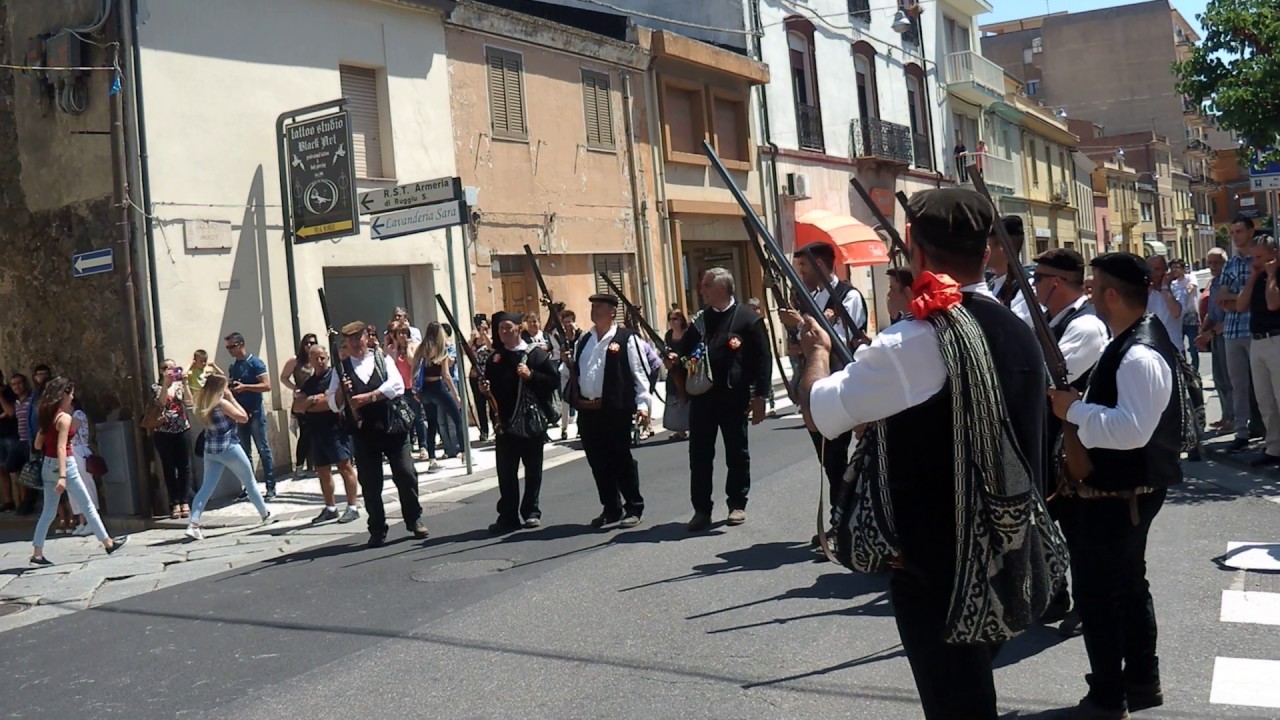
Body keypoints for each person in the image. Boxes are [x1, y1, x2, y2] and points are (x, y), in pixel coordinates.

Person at [801, 188, 1055, 720]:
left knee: (956, 703)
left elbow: (821, 412)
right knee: (969, 692)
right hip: (1010, 550)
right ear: (986, 251)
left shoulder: (913, 341)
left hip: (940, 567)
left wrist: (817, 354)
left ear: (914, 247)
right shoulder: (1017, 329)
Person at [1048, 252, 1183, 719]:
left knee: (1100, 594)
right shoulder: (1128, 341)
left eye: (1093, 288)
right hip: (1126, 491)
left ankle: (1109, 696)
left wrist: (1073, 410)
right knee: (1125, 586)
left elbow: (1130, 431)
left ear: (1111, 294)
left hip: (1122, 493)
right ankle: (1141, 681)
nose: (1088, 296)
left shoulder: (1138, 353)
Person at [1030, 248, 1110, 636]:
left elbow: (1047, 380)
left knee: (1079, 530)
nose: (1034, 285)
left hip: (1073, 443)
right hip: (1050, 438)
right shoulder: (1052, 319)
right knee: (1048, 520)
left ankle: (1088, 603)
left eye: (1038, 279)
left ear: (1056, 283)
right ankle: (1055, 593)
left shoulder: (1086, 325)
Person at [668, 267, 772, 531]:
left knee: (737, 453)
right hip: (703, 399)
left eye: (706, 285)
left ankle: (737, 504)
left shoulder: (748, 319)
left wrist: (760, 396)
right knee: (699, 456)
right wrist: (676, 361)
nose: (700, 290)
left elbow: (763, 359)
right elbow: (686, 355)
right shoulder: (700, 322)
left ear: (721, 289)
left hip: (734, 398)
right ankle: (701, 510)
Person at [325, 321, 428, 548]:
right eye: (350, 340)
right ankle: (377, 528)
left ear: (366, 338)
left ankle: (414, 519)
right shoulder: (340, 370)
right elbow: (333, 403)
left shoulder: (383, 360)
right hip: (363, 432)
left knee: (406, 473)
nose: (355, 343)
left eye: (358, 338)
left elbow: (397, 386)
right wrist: (342, 391)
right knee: (370, 483)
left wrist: (370, 397)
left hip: (392, 427)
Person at [569, 294, 650, 529]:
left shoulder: (626, 338)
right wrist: (567, 364)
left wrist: (643, 404)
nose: (594, 310)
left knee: (620, 458)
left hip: (615, 409)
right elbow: (577, 373)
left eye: (600, 307)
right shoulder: (584, 339)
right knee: (598, 461)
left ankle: (633, 506)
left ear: (612, 311)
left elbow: (639, 373)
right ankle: (611, 508)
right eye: (593, 307)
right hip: (588, 410)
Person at [29, 377, 127, 564]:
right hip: (66, 465)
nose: (73, 397)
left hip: (47, 465)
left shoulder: (47, 416)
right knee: (87, 504)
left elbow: (38, 444)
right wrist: (62, 476)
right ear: (64, 395)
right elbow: (61, 447)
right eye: (71, 393)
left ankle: (37, 553)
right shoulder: (64, 418)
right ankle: (108, 543)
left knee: (48, 512)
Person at [481, 312, 559, 533]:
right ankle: (508, 515)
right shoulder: (495, 359)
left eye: (508, 327)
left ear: (519, 328)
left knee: (533, 470)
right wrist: (484, 391)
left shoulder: (536, 355)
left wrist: (531, 376)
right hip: (505, 425)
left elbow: (553, 381)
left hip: (531, 423)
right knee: (506, 473)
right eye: (500, 328)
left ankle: (531, 511)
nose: (504, 332)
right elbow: (491, 392)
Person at [184, 373, 277, 541]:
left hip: (210, 450)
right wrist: (232, 398)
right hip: (229, 447)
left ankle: (193, 524)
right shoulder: (222, 403)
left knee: (206, 488)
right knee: (249, 481)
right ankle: (265, 514)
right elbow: (243, 418)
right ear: (220, 388)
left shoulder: (203, 403)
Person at [292, 344, 360, 524]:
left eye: (323, 357)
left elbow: (331, 404)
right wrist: (315, 398)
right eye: (316, 358)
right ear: (310, 361)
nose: (320, 361)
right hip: (315, 432)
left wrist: (311, 404)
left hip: (335, 430)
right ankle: (330, 508)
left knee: (345, 467)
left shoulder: (334, 377)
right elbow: (297, 407)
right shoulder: (309, 383)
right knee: (322, 471)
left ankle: (352, 506)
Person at [1219, 217, 1266, 451]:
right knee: (1238, 384)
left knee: (1262, 385)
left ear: (1250, 231)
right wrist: (1240, 299)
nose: (1235, 236)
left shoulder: (1258, 260)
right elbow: (1221, 298)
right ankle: (1241, 431)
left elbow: (1258, 297)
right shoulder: (1230, 264)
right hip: (1232, 330)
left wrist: (1238, 299)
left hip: (1254, 328)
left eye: (1239, 231)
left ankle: (1266, 430)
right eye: (1232, 232)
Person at [1237, 234, 1280, 466]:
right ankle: (1274, 447)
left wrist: (1272, 275)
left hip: (1276, 339)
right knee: (1265, 399)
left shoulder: (1276, 276)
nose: (1256, 262)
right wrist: (1254, 276)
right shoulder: (1256, 277)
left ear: (1274, 254)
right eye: (1254, 257)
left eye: (1260, 257)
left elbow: (1273, 304)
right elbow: (1240, 305)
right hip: (1257, 341)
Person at [224, 332, 276, 499]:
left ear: (240, 344)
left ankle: (270, 486)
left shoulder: (255, 363)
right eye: (227, 348)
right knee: (244, 452)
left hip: (255, 412)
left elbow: (267, 385)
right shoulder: (234, 366)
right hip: (241, 413)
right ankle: (249, 487)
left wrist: (245, 387)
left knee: (263, 449)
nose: (229, 350)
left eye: (232, 347)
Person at [415, 321, 467, 471]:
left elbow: (414, 369)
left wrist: (415, 389)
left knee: (432, 424)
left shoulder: (421, 348)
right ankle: (464, 453)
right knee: (457, 418)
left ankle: (432, 460)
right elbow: (446, 375)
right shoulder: (441, 349)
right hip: (438, 387)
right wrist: (456, 395)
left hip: (425, 389)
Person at [153, 359, 193, 520]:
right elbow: (161, 403)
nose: (170, 370)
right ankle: (174, 503)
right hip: (163, 432)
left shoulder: (179, 386)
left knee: (184, 467)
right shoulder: (156, 387)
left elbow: (189, 402)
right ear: (161, 371)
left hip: (182, 430)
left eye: (173, 367)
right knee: (169, 469)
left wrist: (186, 383)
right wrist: (165, 384)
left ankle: (185, 501)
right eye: (166, 368)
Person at [1199, 248, 1233, 432]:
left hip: (1226, 334)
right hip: (1215, 336)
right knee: (1218, 377)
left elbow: (1228, 316)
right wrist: (1203, 329)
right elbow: (1211, 311)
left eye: (1217, 262)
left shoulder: (1228, 282)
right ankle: (1225, 415)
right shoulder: (1213, 283)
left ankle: (1233, 418)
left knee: (1229, 378)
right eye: (1210, 263)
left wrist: (1210, 333)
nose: (1213, 266)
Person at [386, 320, 428, 461]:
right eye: (399, 333)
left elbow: (412, 362)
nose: (402, 336)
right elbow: (390, 364)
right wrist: (395, 347)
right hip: (400, 389)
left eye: (404, 333)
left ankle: (423, 446)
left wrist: (408, 347)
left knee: (417, 417)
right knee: (404, 418)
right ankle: (408, 446)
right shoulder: (393, 349)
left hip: (412, 387)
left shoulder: (413, 346)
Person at [279, 334, 319, 478]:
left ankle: (317, 464)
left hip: (318, 399)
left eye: (312, 343)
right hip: (302, 400)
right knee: (305, 434)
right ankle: (300, 466)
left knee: (319, 432)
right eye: (306, 343)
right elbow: (283, 377)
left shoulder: (318, 359)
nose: (309, 345)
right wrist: (294, 388)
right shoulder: (296, 360)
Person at [986, 215, 1035, 324]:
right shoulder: (991, 282)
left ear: (1002, 248)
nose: (983, 250)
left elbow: (1014, 326)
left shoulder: (1026, 287)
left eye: (987, 245)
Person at [555, 309, 584, 441]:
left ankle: (580, 427)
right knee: (565, 400)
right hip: (566, 370)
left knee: (581, 399)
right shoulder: (561, 337)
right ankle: (564, 429)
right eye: (565, 322)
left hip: (579, 370)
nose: (567, 325)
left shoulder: (581, 335)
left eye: (569, 321)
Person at [662, 310, 691, 440]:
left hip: (687, 370)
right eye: (670, 319)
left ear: (681, 320)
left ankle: (691, 426)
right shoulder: (668, 335)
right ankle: (680, 430)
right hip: (673, 371)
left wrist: (679, 357)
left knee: (687, 398)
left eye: (675, 319)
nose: (672, 322)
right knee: (674, 396)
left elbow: (692, 351)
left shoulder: (688, 334)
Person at [1169, 259, 1200, 371]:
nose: (1174, 270)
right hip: (1178, 319)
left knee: (1193, 347)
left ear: (1183, 269)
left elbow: (1191, 288)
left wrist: (1186, 291)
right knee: (1179, 346)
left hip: (1190, 317)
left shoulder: (1190, 278)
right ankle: (1184, 370)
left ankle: (1194, 371)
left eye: (1177, 267)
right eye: (1172, 268)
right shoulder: (1172, 284)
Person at [1145, 256, 1182, 350]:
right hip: (1151, 347)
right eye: (1150, 269)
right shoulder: (1143, 292)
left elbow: (1176, 313)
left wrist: (1165, 288)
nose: (1153, 273)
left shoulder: (1176, 288)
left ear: (1165, 270)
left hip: (1173, 347)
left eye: (1157, 269)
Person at [468, 316, 494, 443]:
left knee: (492, 403)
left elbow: (491, 348)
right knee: (480, 405)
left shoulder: (491, 339)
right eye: (480, 327)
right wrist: (471, 339)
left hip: (488, 375)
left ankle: (496, 427)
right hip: (475, 376)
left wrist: (485, 335)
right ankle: (484, 431)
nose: (481, 329)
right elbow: (465, 351)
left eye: (484, 326)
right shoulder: (474, 342)